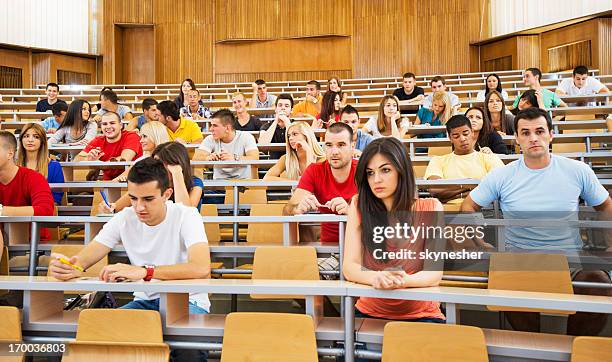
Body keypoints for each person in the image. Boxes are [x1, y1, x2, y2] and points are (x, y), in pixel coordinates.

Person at [461, 107, 612, 335]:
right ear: (517, 138)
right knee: (509, 281)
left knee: (599, 283)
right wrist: (480, 244)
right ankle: (532, 345)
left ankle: (576, 347)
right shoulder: (502, 175)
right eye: (526, 133)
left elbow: (606, 205)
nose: (533, 138)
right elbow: (468, 205)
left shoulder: (578, 170)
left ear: (551, 135)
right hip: (519, 260)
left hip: (569, 260)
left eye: (540, 131)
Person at [49, 157, 210, 361]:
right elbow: (85, 258)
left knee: (190, 348)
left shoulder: (187, 215)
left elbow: (201, 267)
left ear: (167, 194)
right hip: (144, 302)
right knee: (87, 335)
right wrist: (70, 267)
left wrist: (145, 271)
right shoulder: (124, 217)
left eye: (148, 199)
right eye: (133, 198)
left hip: (188, 301)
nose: (139, 207)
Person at [342, 137, 445, 323]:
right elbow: (349, 266)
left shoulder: (432, 207)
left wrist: (399, 280)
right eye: (370, 173)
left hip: (422, 315)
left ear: (401, 171)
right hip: (369, 313)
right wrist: (377, 277)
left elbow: (434, 273)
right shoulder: (358, 205)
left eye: (385, 170)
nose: (377, 180)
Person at [283, 122, 357, 243]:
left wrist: (352, 211)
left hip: (363, 250)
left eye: (341, 145)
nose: (334, 152)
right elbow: (287, 209)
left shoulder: (365, 170)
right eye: (329, 145)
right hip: (328, 251)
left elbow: (384, 215)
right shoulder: (314, 171)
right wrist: (298, 208)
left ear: (352, 146)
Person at [101, 142, 204, 213]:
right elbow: (116, 208)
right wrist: (109, 208)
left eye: (161, 163)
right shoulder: (151, 182)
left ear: (176, 164)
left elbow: (185, 213)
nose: (156, 167)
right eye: (155, 162)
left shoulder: (195, 183)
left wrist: (177, 174)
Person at [425, 115, 504, 204]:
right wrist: (472, 186)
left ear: (472, 132)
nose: (462, 139)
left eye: (466, 134)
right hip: (448, 213)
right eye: (456, 136)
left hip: (485, 211)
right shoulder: (437, 160)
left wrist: (454, 193)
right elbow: (435, 190)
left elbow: (498, 187)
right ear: (450, 138)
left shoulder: (490, 158)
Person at [0, 131, 54, 217]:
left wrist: (2, 211)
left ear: (10, 154)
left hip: (30, 230)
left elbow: (46, 210)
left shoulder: (33, 178)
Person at [194, 109, 259, 180]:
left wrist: (235, 158)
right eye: (211, 125)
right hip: (219, 186)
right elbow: (196, 158)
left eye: (215, 126)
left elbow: (255, 158)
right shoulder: (210, 138)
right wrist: (207, 158)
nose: (210, 129)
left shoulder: (246, 136)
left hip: (243, 184)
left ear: (227, 128)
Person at [75, 112, 143, 181]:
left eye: (112, 123)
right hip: (109, 183)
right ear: (101, 127)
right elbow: (76, 159)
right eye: (104, 124)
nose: (108, 127)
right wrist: (89, 158)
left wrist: (98, 165)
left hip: (134, 181)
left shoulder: (132, 136)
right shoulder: (98, 141)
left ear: (121, 125)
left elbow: (124, 159)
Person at [17, 123, 65, 205]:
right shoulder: (13, 167)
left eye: (36, 137)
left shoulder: (54, 166)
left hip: (44, 214)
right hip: (16, 214)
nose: (30, 140)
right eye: (26, 136)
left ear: (42, 141)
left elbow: (56, 198)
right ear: (21, 140)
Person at [259, 93, 293, 159]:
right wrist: (275, 121)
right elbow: (262, 145)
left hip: (293, 162)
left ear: (291, 110)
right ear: (275, 108)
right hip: (273, 164)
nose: (283, 108)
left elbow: (297, 140)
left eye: (286, 106)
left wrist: (286, 121)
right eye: (280, 105)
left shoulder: (296, 125)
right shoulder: (266, 126)